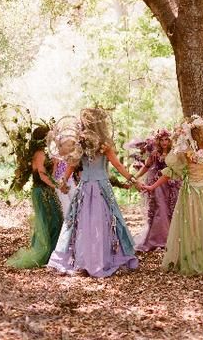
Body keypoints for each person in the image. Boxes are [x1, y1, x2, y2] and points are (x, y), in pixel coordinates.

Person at [47, 108, 140, 277]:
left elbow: (71, 165)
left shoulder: (80, 143)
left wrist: (63, 181)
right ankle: (99, 259)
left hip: (84, 188)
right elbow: (118, 166)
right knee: (102, 222)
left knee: (83, 222)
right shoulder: (104, 146)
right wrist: (132, 179)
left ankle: (85, 259)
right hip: (101, 187)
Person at [144, 116, 203, 276]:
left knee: (190, 225)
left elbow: (171, 172)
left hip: (189, 192)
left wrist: (152, 186)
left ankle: (189, 258)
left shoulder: (186, 153)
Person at [7, 125, 65, 268]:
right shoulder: (39, 153)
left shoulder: (45, 153)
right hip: (41, 191)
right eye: (49, 136)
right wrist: (57, 186)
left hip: (47, 190)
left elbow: (49, 174)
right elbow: (42, 175)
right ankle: (45, 254)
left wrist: (56, 165)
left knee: (56, 221)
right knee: (47, 222)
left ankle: (54, 254)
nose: (51, 138)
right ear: (44, 137)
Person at [131, 129, 181, 252]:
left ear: (170, 141)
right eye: (162, 140)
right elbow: (146, 167)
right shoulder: (155, 154)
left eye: (167, 140)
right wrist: (133, 178)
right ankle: (158, 240)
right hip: (158, 186)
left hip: (173, 185)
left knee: (172, 210)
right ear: (158, 141)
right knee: (161, 210)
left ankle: (172, 238)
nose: (164, 142)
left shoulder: (175, 153)